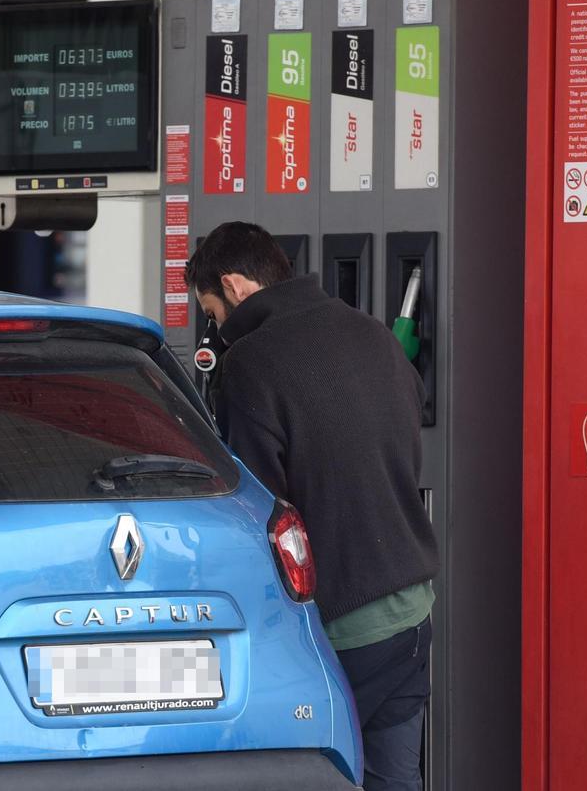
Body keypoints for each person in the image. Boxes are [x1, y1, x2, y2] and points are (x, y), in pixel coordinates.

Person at [185, 221, 439, 791]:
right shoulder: (372, 333)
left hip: (339, 620)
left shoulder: (251, 365)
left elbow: (258, 512)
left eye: (213, 313)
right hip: (411, 608)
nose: (216, 330)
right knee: (393, 776)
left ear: (235, 285)